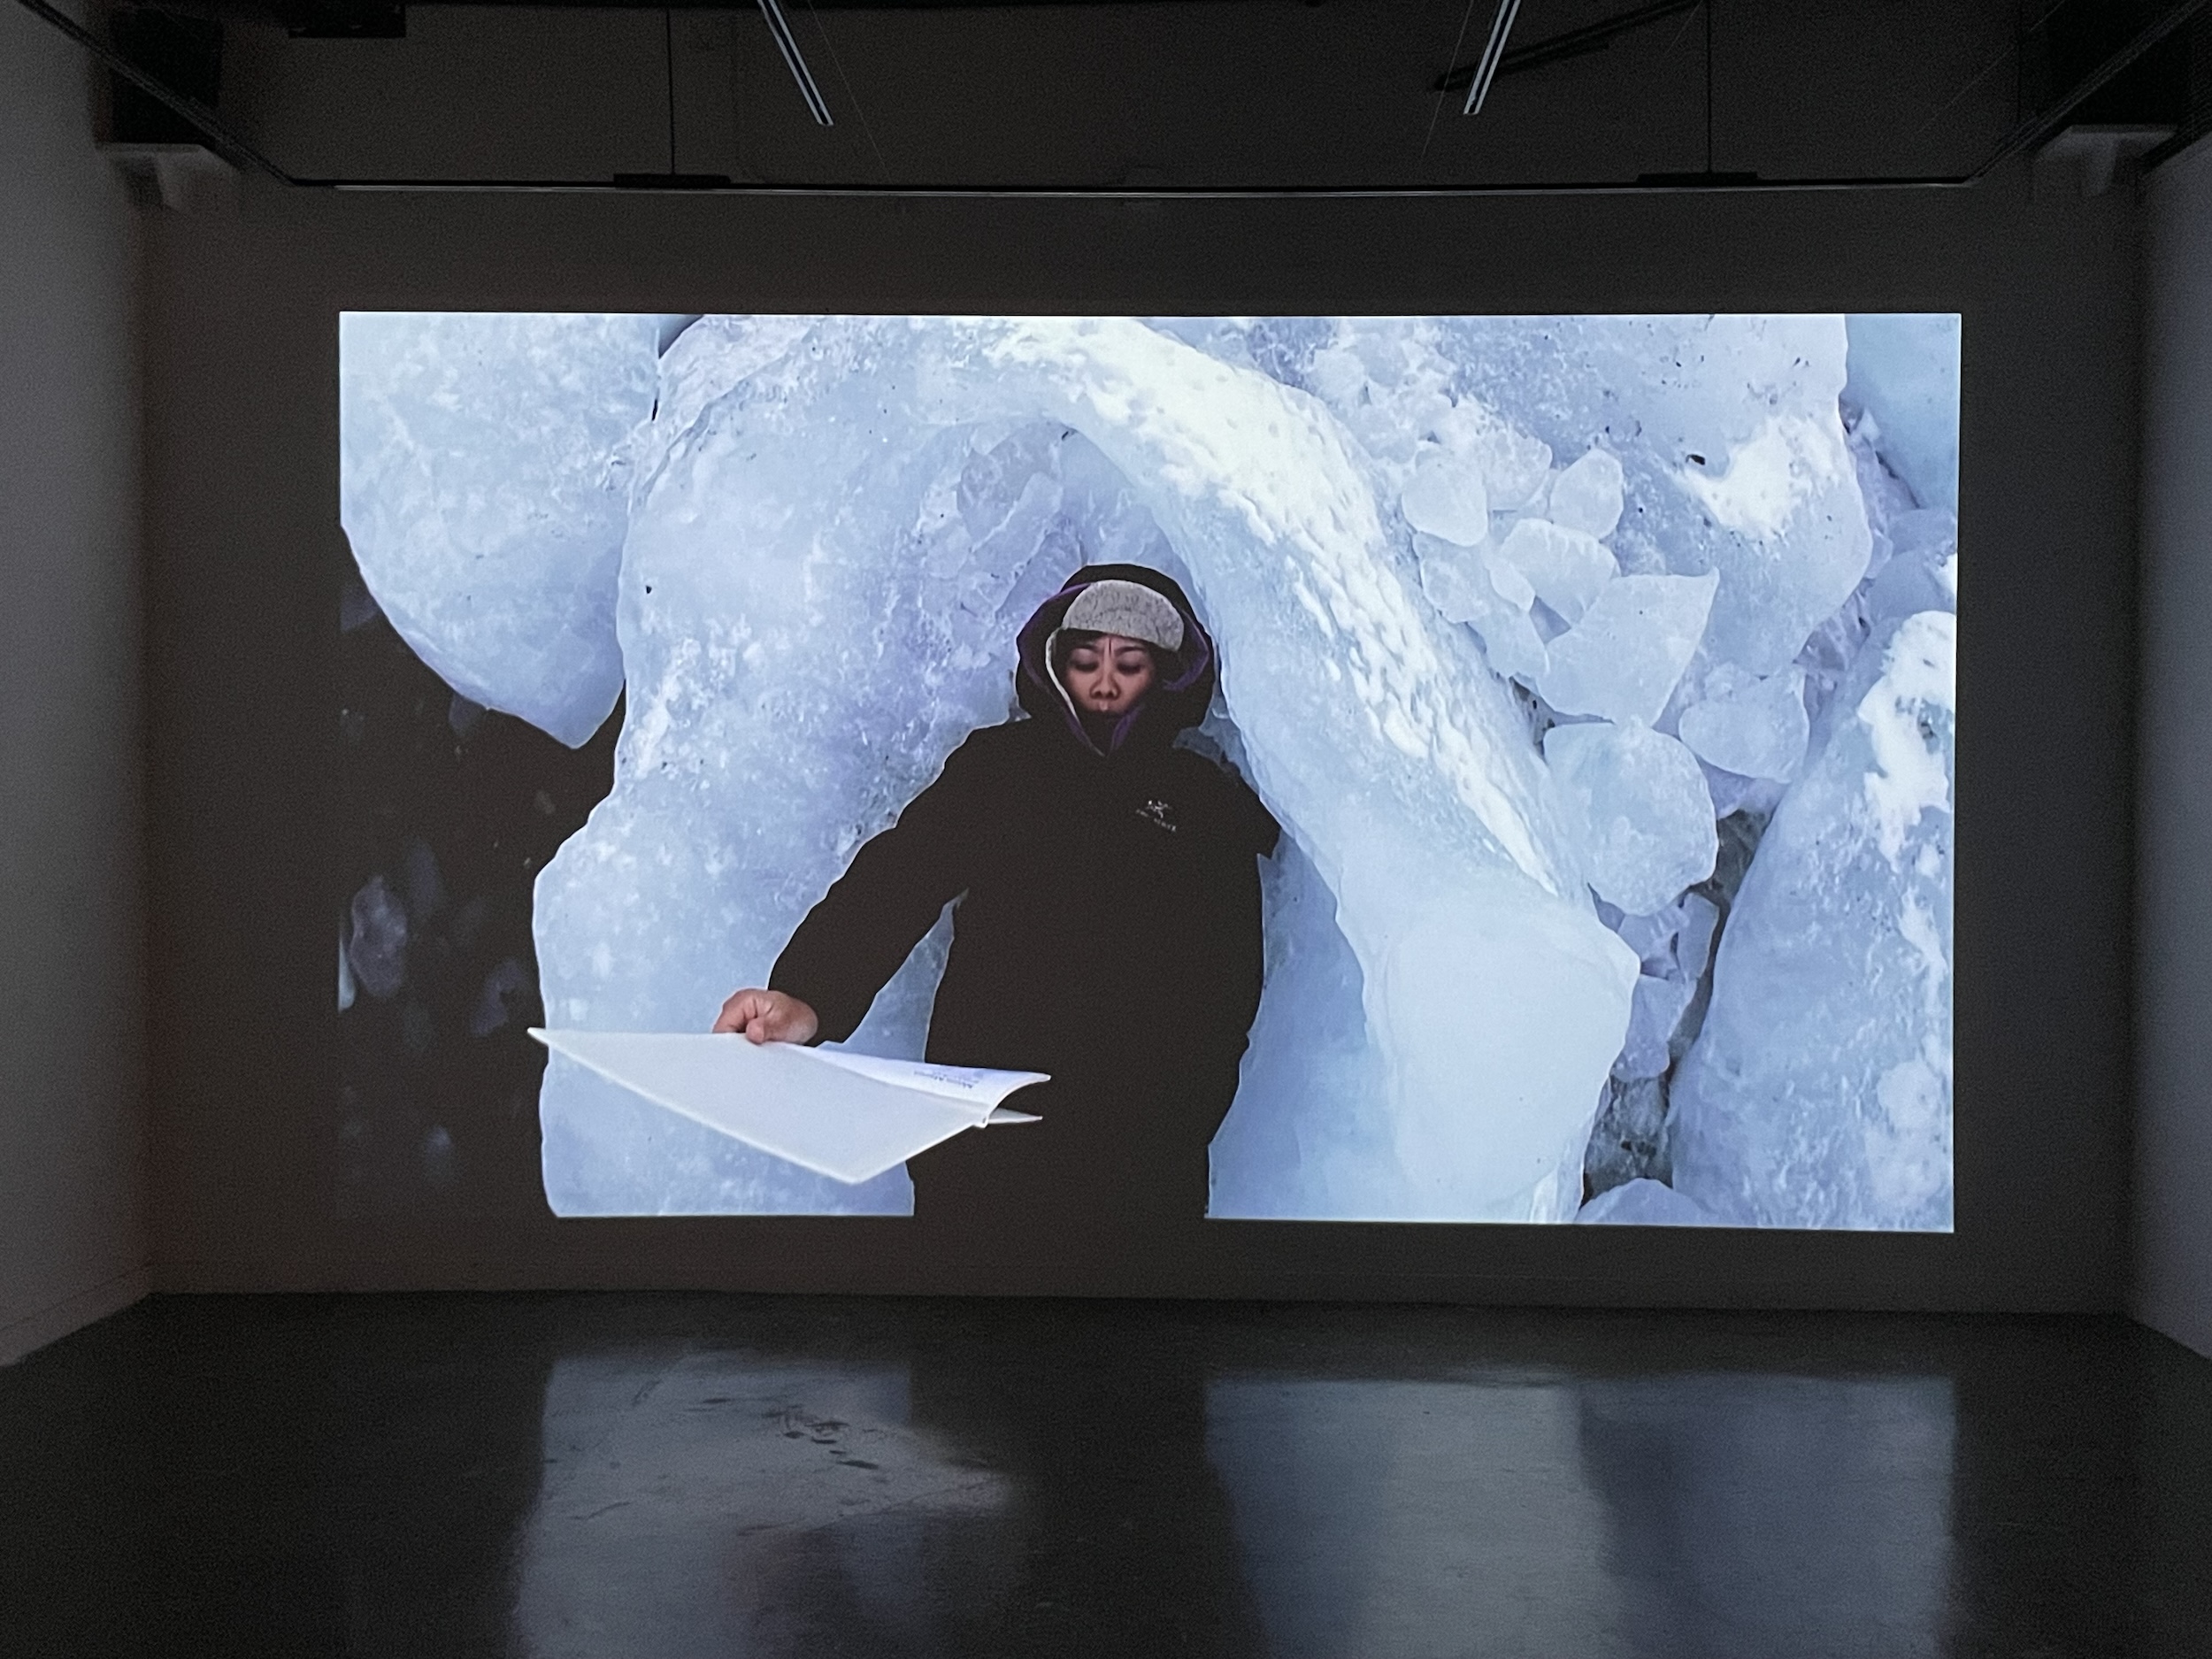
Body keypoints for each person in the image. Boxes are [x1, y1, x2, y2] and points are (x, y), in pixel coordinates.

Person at [714, 563, 1279, 1244]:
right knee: (965, 1342)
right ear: (1055, 664)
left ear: (1164, 672)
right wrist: (808, 995)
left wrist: (1176, 1125)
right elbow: (898, 878)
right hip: (980, 1151)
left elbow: (1228, 984)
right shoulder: (1000, 769)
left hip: (1139, 1172)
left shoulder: (1204, 803)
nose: (1104, 682)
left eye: (1129, 663)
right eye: (1084, 660)